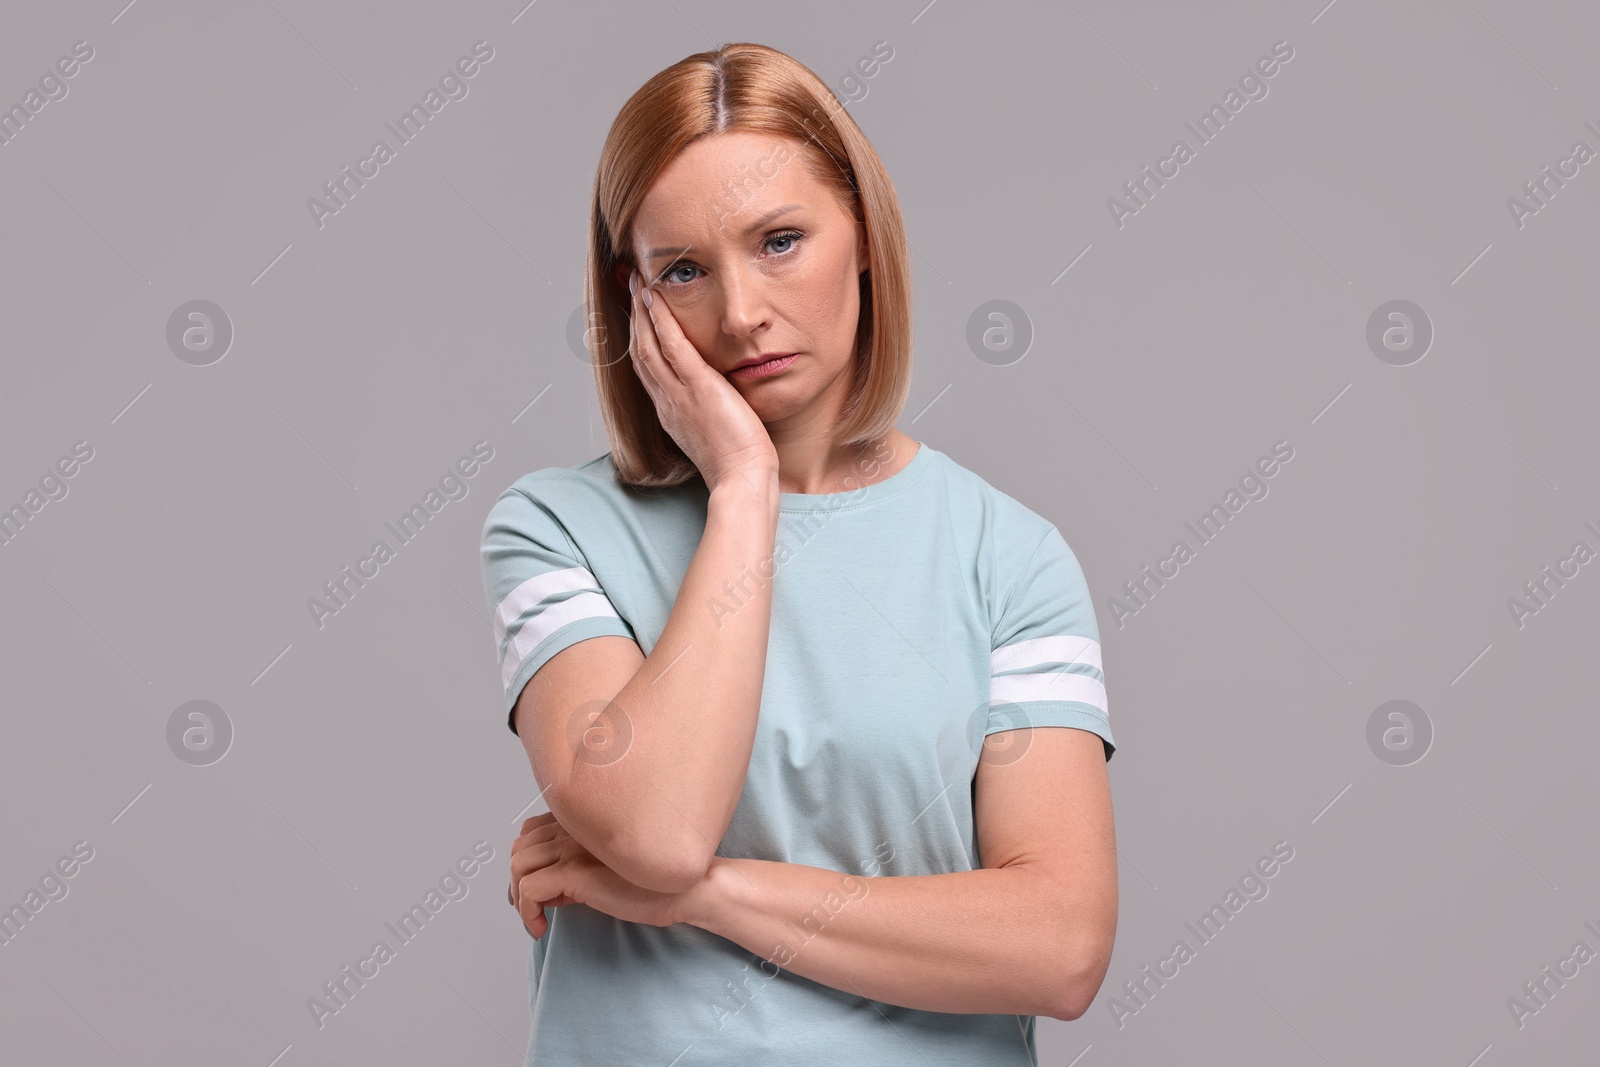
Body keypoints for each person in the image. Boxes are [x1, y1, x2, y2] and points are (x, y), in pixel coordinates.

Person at [479, 41, 1118, 1066]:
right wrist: (742, 486)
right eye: (682, 268)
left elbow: (1059, 945)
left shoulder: (1009, 558)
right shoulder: (555, 531)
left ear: (861, 234)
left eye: (779, 240)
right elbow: (655, 829)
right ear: (633, 297)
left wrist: (708, 894)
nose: (739, 314)